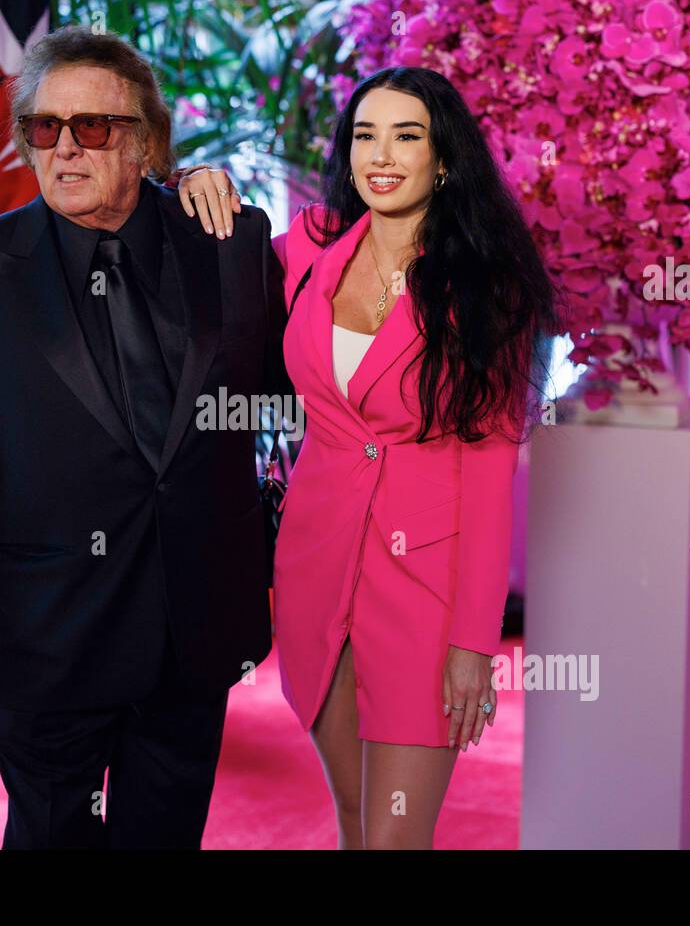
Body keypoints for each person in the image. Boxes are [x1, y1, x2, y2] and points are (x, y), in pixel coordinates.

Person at [0, 26, 289, 849]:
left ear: (146, 143)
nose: (66, 148)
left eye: (93, 126)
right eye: (46, 127)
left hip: (196, 626)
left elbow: (285, 398)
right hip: (50, 631)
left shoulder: (232, 241)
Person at [178, 66, 560, 848]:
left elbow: (490, 480)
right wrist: (191, 180)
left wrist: (473, 644)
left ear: (443, 160)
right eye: (365, 135)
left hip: (428, 590)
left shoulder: (490, 289)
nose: (381, 154)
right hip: (316, 567)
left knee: (394, 838)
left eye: (406, 135)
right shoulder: (312, 243)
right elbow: (200, 258)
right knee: (356, 822)